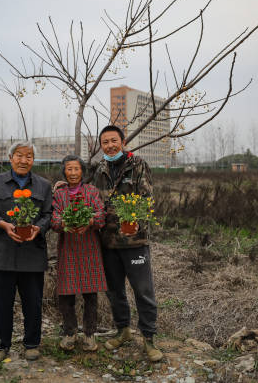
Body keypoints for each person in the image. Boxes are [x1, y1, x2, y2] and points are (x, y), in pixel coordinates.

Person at [90, 125, 163, 362]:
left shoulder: (138, 165)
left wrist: (131, 221)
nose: (110, 145)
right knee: (114, 291)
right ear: (101, 146)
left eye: (114, 140)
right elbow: (89, 196)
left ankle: (149, 338)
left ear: (123, 142)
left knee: (143, 290)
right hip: (108, 242)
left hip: (134, 241)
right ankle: (123, 331)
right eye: (105, 142)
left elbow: (146, 200)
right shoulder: (99, 169)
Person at [0, 141, 53, 362]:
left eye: (28, 156)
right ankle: (1, 346)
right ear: (10, 158)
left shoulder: (43, 185)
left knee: (33, 301)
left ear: (33, 159)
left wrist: (38, 227)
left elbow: (49, 214)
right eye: (19, 156)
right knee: (2, 303)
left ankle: (31, 344)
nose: (24, 160)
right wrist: (3, 225)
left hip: (32, 252)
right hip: (3, 253)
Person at [50, 155, 106, 352]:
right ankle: (70, 332)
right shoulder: (59, 194)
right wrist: (65, 223)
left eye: (76, 169)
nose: (73, 173)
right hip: (69, 249)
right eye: (69, 169)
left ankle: (90, 334)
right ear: (64, 172)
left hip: (89, 249)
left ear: (82, 171)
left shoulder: (92, 192)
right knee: (66, 294)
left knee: (91, 295)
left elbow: (101, 216)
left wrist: (89, 222)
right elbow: (54, 221)